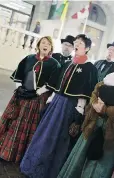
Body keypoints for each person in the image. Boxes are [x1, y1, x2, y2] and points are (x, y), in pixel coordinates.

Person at [20, 34, 98, 178]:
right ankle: (32, 167)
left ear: (87, 48)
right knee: (44, 134)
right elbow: (57, 84)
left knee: (59, 139)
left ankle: (48, 172)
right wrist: (50, 99)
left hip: (70, 107)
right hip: (57, 103)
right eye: (76, 42)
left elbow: (87, 91)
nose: (76, 45)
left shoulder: (90, 68)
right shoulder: (67, 64)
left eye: (80, 43)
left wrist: (80, 111)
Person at [58, 52, 114, 178]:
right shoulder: (111, 77)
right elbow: (95, 91)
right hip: (94, 125)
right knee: (79, 159)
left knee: (99, 167)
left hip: (112, 132)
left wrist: (104, 110)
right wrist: (95, 103)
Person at [0, 36, 60, 163]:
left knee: (25, 125)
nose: (45, 45)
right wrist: (20, 88)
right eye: (43, 42)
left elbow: (52, 83)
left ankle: (18, 156)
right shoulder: (28, 59)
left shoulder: (54, 64)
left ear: (51, 48)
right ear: (38, 45)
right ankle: (4, 151)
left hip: (37, 99)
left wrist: (36, 92)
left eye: (48, 44)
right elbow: (18, 75)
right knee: (12, 121)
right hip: (21, 95)